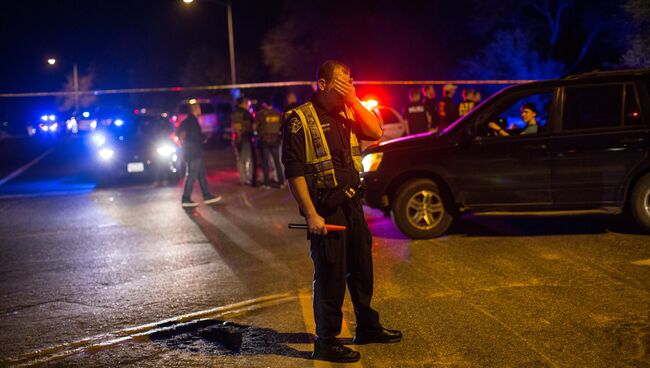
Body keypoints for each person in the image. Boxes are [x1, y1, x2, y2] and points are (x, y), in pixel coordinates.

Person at [282, 60, 402, 363]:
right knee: (330, 275)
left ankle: (367, 326)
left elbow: (374, 131)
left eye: (351, 81)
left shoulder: (348, 109)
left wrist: (353, 98)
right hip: (326, 208)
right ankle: (326, 341)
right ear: (322, 84)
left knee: (362, 269)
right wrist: (310, 215)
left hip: (352, 205)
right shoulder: (299, 119)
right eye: (341, 82)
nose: (348, 86)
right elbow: (294, 172)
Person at [175, 111, 221, 208]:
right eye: (196, 109)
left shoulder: (185, 122)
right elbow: (195, 136)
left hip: (188, 151)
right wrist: (204, 138)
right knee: (191, 175)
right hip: (194, 152)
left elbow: (178, 133)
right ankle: (186, 198)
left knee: (201, 174)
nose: (199, 111)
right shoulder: (193, 122)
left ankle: (207, 196)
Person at [254, 101, 285, 188]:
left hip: (265, 140)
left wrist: (257, 132)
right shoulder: (278, 113)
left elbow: (255, 127)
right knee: (277, 162)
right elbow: (281, 126)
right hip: (275, 140)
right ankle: (281, 182)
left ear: (264, 105)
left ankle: (267, 183)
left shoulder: (261, 114)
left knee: (265, 162)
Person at [230, 97, 257, 186]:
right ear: (244, 103)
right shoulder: (247, 113)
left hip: (237, 138)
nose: (248, 105)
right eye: (247, 103)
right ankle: (248, 178)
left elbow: (233, 126)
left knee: (240, 159)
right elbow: (253, 125)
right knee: (247, 158)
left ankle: (242, 178)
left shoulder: (234, 113)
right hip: (246, 137)